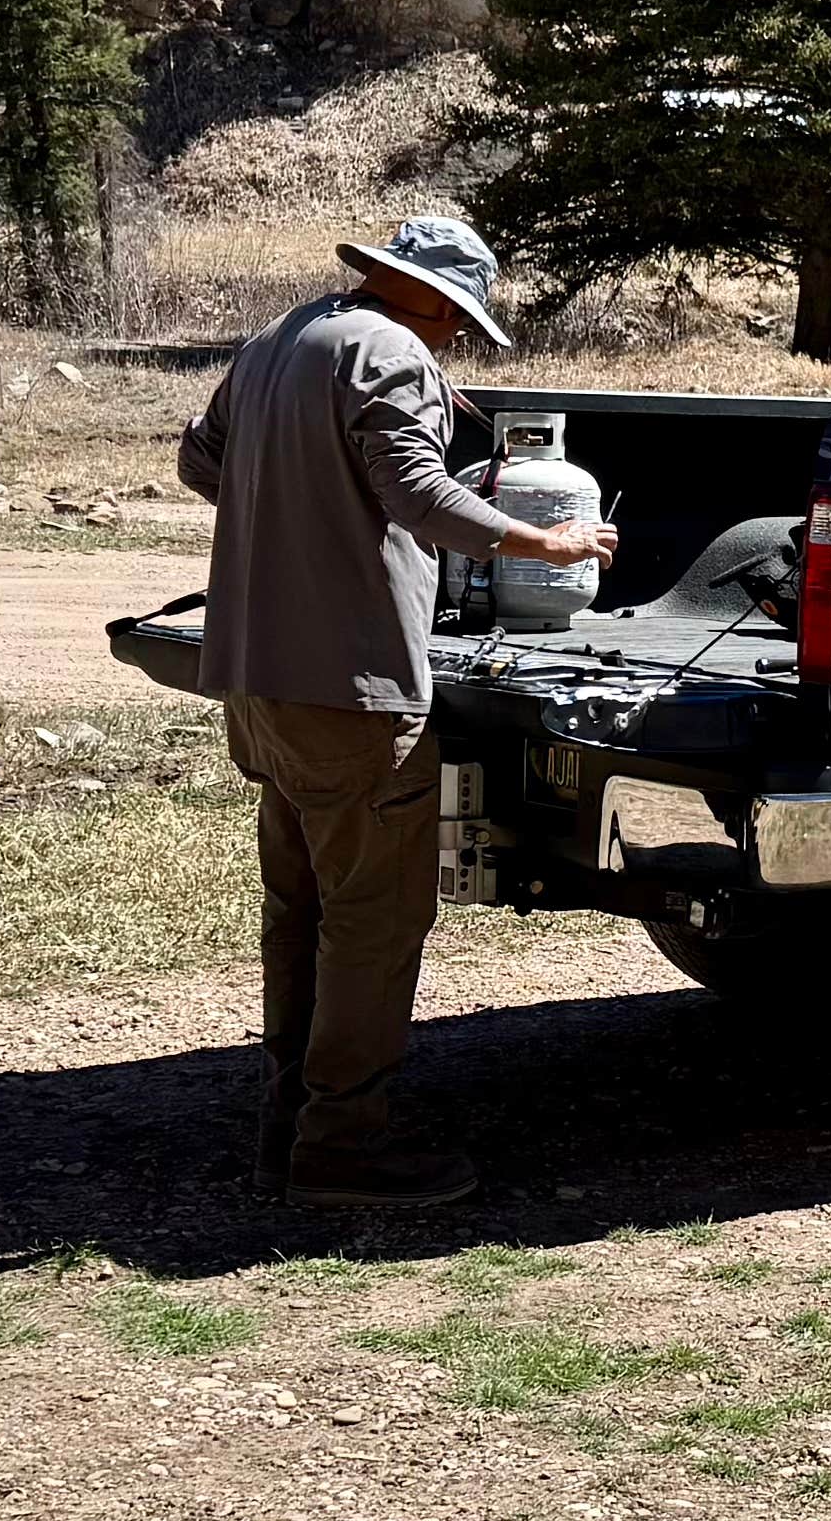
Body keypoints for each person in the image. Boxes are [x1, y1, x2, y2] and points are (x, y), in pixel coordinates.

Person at [173, 208, 613, 1203]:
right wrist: (547, 543)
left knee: (301, 908)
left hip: (258, 679)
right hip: (353, 689)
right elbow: (420, 497)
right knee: (373, 920)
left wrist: (297, 506)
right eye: (456, 317)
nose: (454, 335)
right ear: (430, 300)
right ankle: (343, 1144)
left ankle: (287, 1125)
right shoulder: (393, 354)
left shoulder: (281, 338)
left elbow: (201, 462)